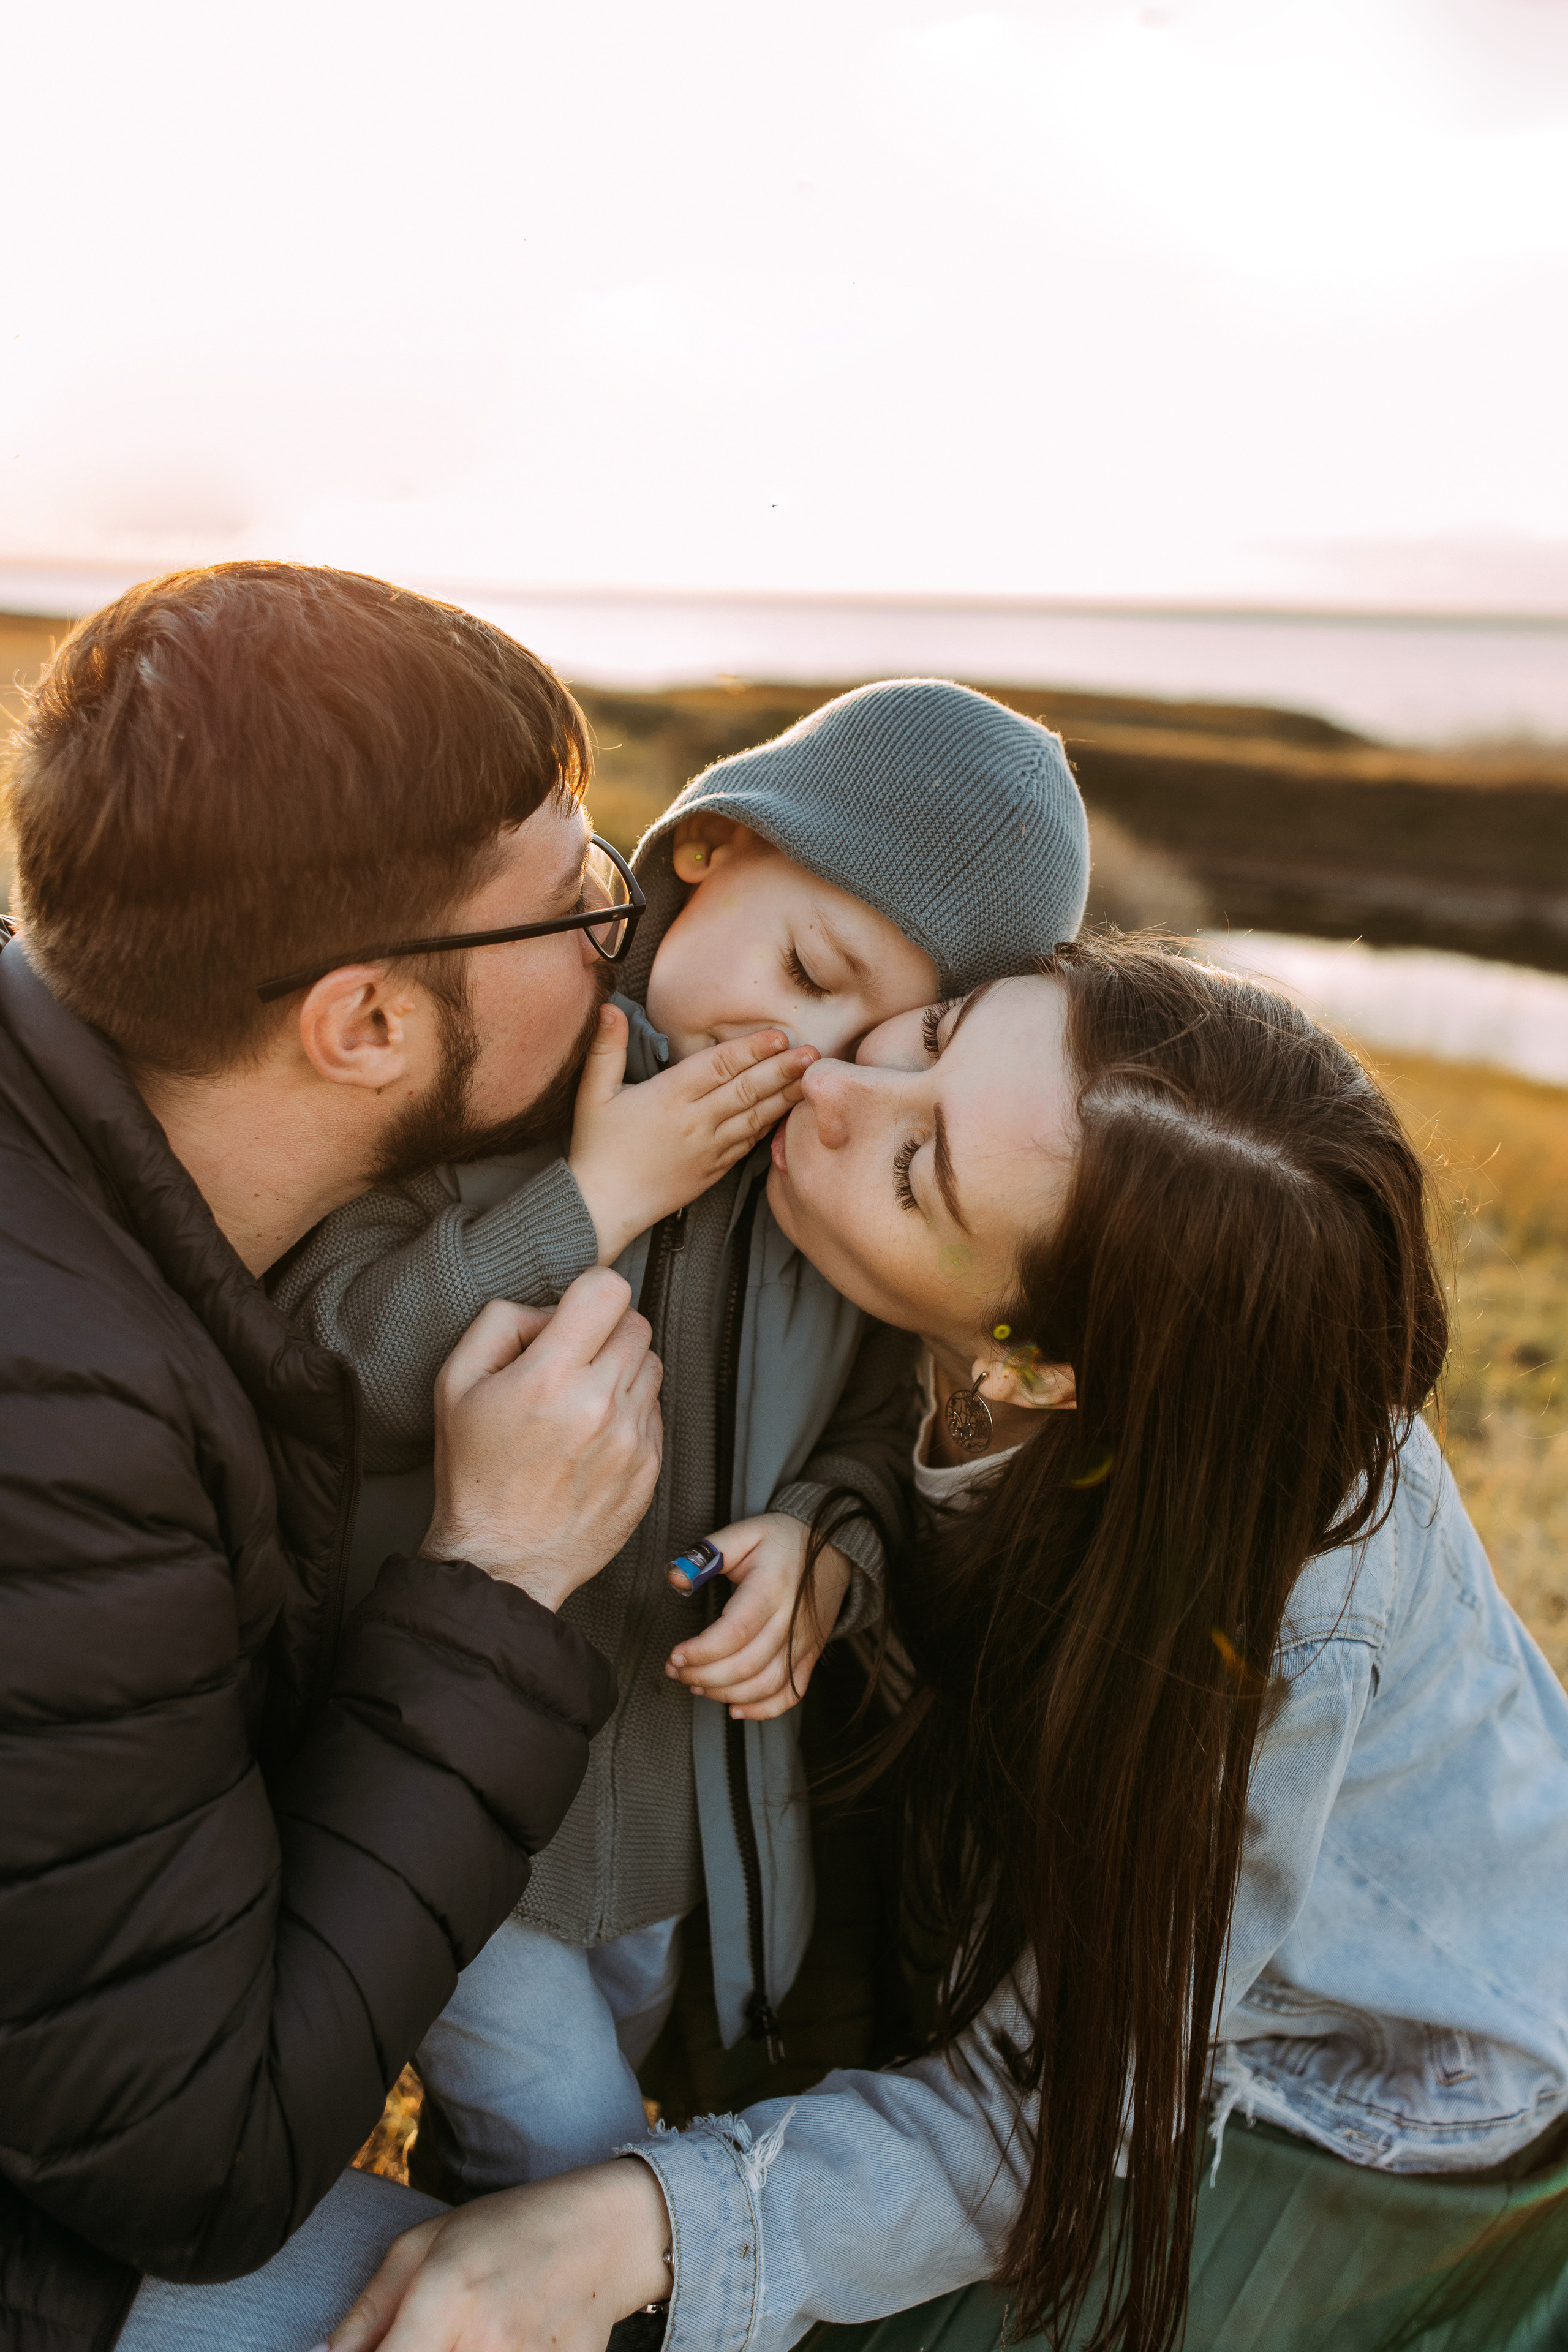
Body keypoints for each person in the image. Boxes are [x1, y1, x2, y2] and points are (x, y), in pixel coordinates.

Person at [328, 941, 1568, 2352]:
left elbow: (1036, 2101)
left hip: (1352, 2060)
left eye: (919, 1175)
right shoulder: (1012, 1209)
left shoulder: (1273, 1623)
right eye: (934, 1035)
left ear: (1032, 1371)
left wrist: (645, 2223)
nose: (836, 1083)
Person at [271, 680, 1092, 2199]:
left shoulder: (829, 1174)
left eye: (895, 1028)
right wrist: (588, 1205)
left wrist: (822, 1550)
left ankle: (459, 2251)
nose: (816, 1056)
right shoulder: (506, 1063)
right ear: (710, 843)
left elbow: (864, 1428)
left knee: (571, 2105)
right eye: (808, 966)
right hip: (438, 1800)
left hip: (667, 1815)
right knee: (569, 2151)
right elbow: (323, 1365)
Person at [0, 561, 682, 2352]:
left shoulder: (88, 1195)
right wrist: (502, 1582)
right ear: (365, 1022)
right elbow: (200, 2167)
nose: (623, 933)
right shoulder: (53, 1424)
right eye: (570, 900)